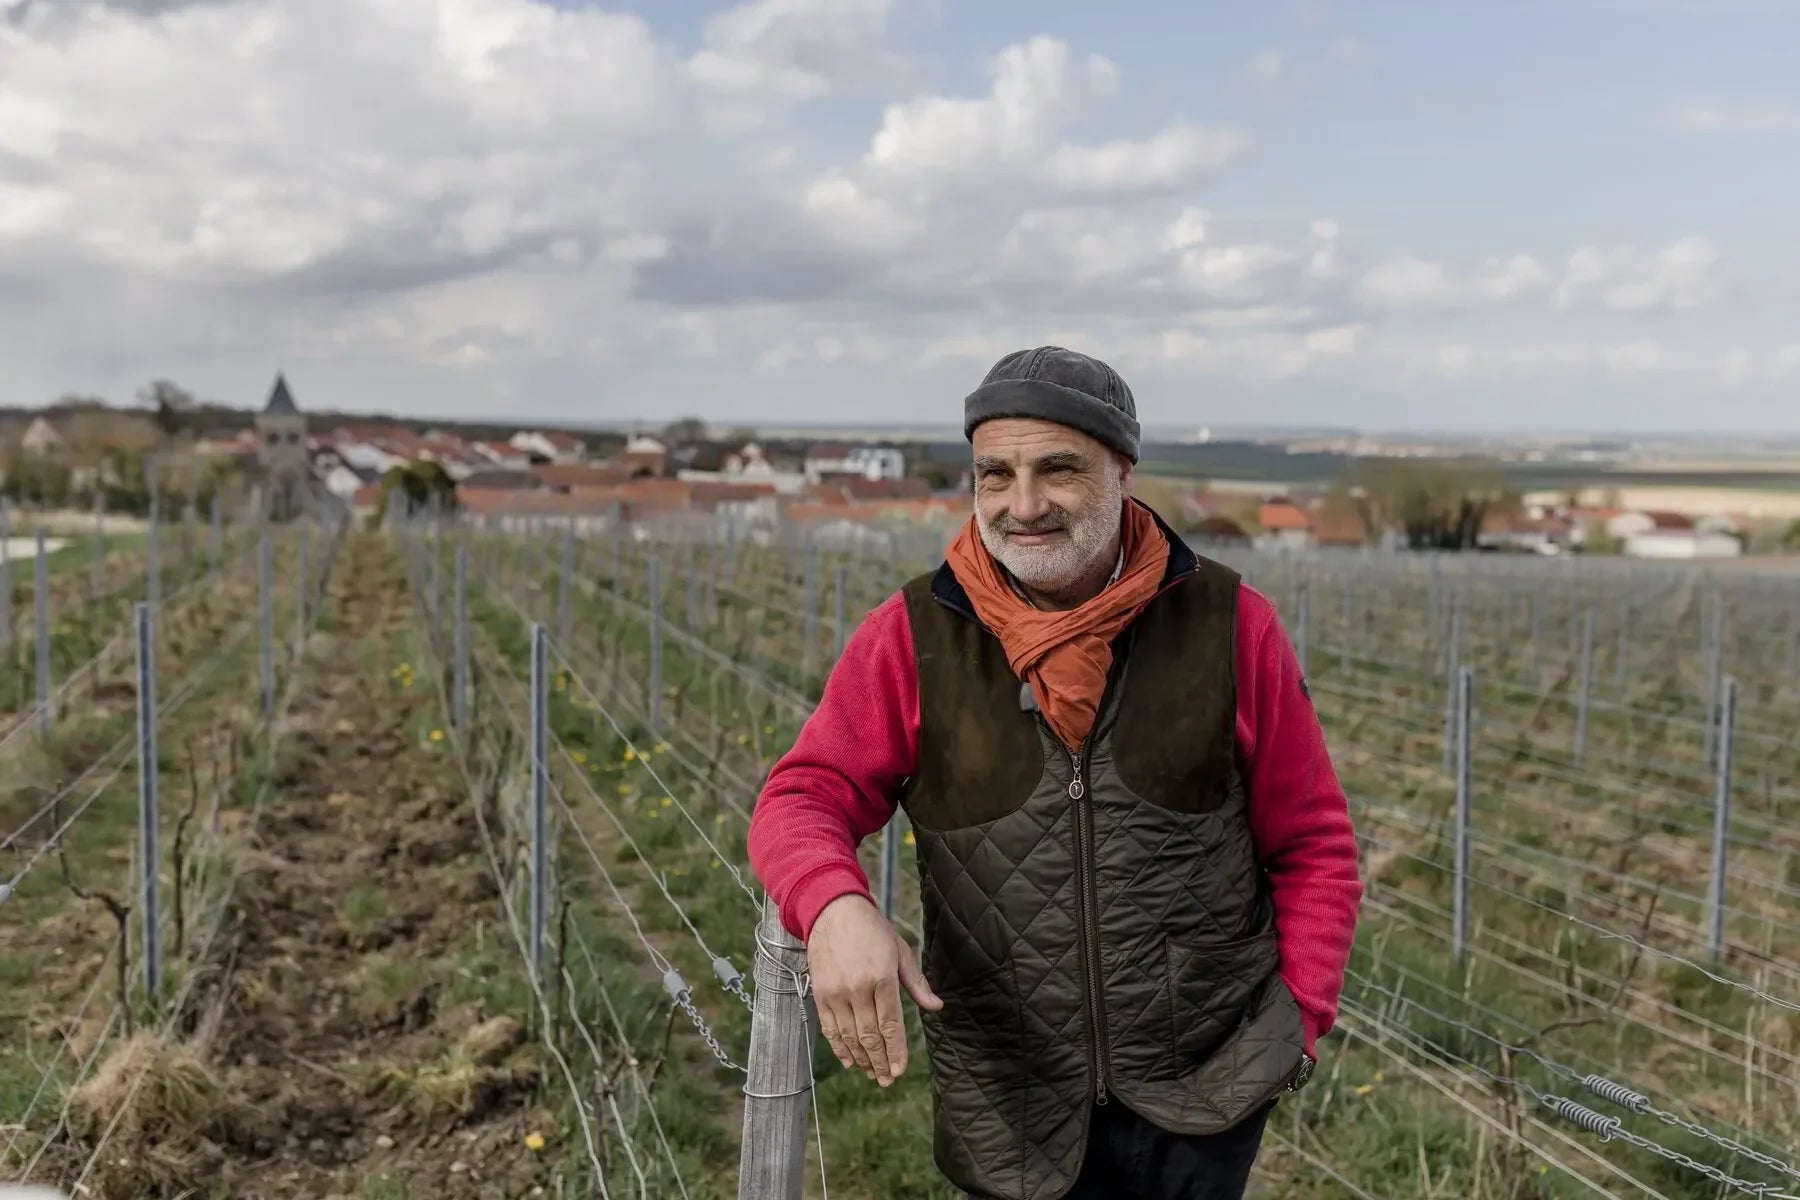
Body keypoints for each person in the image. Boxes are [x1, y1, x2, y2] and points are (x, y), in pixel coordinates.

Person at [746, 346, 1364, 1200]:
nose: (1022, 504)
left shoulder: (1231, 623)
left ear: (1122, 470)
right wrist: (834, 905)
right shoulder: (914, 635)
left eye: (1058, 469)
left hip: (1209, 1087)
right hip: (1010, 1101)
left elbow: (1315, 843)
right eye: (994, 473)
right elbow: (801, 796)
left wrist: (1299, 1019)